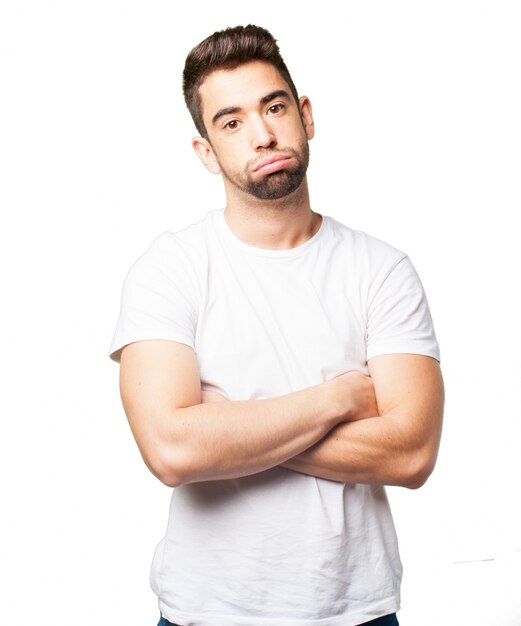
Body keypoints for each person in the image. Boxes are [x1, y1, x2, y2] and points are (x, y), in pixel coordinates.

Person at [109, 24, 444, 626]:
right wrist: (339, 397)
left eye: (274, 107)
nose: (263, 134)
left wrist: (226, 427)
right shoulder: (170, 268)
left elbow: (412, 453)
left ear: (305, 115)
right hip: (206, 613)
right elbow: (171, 450)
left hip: (356, 611)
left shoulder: (381, 270)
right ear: (206, 152)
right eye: (232, 122)